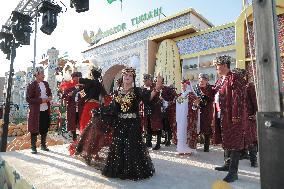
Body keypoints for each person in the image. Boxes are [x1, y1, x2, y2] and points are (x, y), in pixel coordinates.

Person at [102, 67, 162, 180]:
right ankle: (119, 169)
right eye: (125, 75)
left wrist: (157, 87)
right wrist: (101, 111)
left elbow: (148, 97)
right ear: (122, 77)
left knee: (131, 146)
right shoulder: (117, 92)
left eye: (130, 75)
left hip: (133, 123)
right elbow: (112, 108)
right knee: (119, 146)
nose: (127, 77)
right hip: (120, 123)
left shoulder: (137, 91)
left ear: (133, 78)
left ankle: (132, 171)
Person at [212, 55, 246, 183]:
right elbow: (214, 92)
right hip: (223, 115)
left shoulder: (235, 78)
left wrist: (236, 115)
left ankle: (233, 172)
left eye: (218, 66)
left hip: (233, 116)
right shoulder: (221, 80)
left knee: (235, 142)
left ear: (225, 65)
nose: (216, 68)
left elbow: (239, 97)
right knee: (226, 139)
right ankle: (227, 165)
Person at [73, 67, 112, 163]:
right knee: (96, 131)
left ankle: (87, 153)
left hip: (88, 107)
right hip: (97, 108)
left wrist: (79, 88)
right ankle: (95, 154)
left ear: (91, 74)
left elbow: (78, 85)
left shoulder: (89, 82)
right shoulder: (99, 84)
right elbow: (106, 98)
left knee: (86, 129)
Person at [26, 66, 52, 154]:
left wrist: (49, 97)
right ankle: (33, 147)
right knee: (34, 128)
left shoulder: (46, 84)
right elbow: (29, 99)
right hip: (36, 111)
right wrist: (41, 100)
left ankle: (43, 145)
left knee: (44, 127)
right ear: (37, 74)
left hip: (45, 109)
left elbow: (49, 92)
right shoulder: (31, 85)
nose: (44, 75)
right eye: (42, 74)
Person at [175, 79, 199, 155]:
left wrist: (195, 105)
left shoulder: (191, 95)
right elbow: (178, 105)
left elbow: (195, 108)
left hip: (188, 119)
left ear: (188, 86)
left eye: (184, 85)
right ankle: (181, 149)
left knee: (188, 133)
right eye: (182, 85)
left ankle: (189, 150)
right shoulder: (180, 95)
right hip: (181, 119)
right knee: (181, 133)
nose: (182, 86)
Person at [193, 73, 214, 152]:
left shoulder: (210, 88)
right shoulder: (195, 87)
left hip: (207, 110)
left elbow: (212, 98)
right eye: (200, 79)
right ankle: (193, 145)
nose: (201, 81)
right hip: (196, 110)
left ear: (207, 80)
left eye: (204, 80)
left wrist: (204, 98)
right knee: (196, 128)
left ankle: (206, 146)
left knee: (206, 128)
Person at [61, 72, 84, 141]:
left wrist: (80, 95)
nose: (75, 79)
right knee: (72, 124)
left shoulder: (82, 88)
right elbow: (64, 97)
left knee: (80, 123)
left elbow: (84, 98)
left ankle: (80, 138)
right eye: (74, 78)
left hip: (80, 109)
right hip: (72, 109)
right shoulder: (69, 88)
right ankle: (74, 138)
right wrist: (69, 95)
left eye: (77, 78)